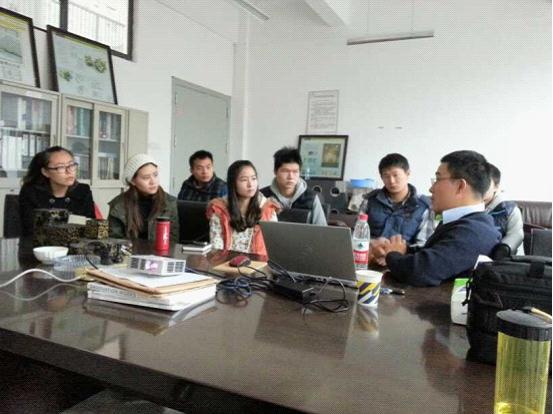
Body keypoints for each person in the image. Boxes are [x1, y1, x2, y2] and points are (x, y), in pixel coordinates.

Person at [372, 150, 501, 287]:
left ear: (460, 186)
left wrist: (392, 254)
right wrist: (403, 250)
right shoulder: (464, 223)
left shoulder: (475, 232)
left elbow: (420, 272)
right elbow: (433, 255)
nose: (431, 188)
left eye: (438, 179)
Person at [207, 160, 279, 255]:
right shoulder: (219, 209)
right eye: (244, 180)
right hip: (226, 261)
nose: (250, 184)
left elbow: (274, 246)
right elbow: (216, 248)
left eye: (253, 178)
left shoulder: (267, 209)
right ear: (233, 183)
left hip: (258, 262)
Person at [19, 146, 95, 236]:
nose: (69, 171)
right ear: (45, 172)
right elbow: (31, 230)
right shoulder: (31, 192)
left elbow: (90, 226)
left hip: (77, 243)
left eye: (71, 165)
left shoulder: (83, 191)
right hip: (41, 243)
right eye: (60, 167)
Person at [108, 154, 179, 242]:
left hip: (160, 250)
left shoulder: (170, 202)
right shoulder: (118, 205)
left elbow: (173, 240)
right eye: (146, 178)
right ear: (132, 181)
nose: (153, 181)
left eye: (155, 175)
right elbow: (114, 240)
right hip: (129, 250)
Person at [363, 153, 431, 245]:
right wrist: (372, 243)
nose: (391, 181)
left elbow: (423, 244)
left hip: (404, 254)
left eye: (396, 175)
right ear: (381, 178)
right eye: (386, 176)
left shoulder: (423, 206)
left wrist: (402, 250)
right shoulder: (370, 201)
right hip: (370, 252)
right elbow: (356, 234)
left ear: (407, 174)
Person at [260, 147, 327, 225]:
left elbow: (322, 229)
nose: (291, 177)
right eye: (285, 171)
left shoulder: (311, 198)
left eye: (295, 171)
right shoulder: (262, 196)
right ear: (275, 171)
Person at [483, 163, 524, 253]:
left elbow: (516, 235)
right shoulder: (465, 204)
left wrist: (502, 250)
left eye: (485, 184)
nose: (480, 189)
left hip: (503, 257)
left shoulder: (508, 209)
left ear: (496, 187)